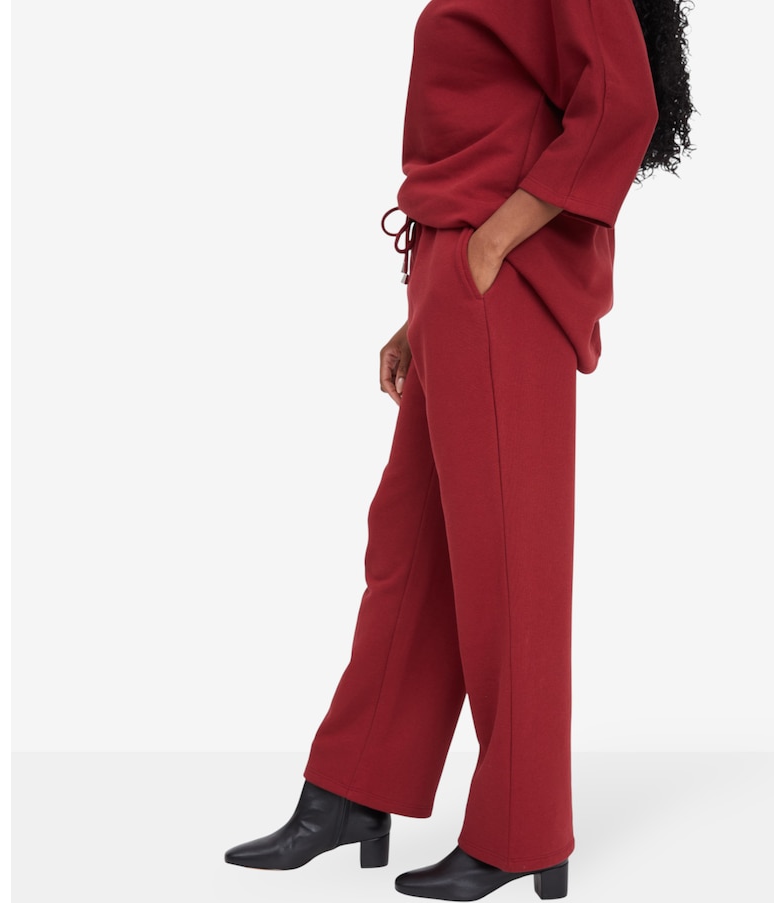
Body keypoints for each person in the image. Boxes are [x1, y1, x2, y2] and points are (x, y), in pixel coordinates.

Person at [224, 0, 694, 899]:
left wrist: (494, 241)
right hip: (452, 271)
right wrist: (424, 304)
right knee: (412, 547)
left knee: (509, 565)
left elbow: (621, 103)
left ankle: (524, 828)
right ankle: (352, 789)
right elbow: (491, 124)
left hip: (502, 273)